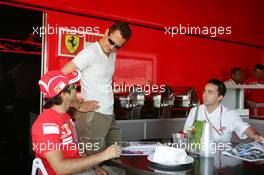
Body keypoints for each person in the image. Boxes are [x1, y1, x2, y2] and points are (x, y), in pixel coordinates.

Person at [31, 70, 121, 175]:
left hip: (79, 170)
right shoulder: (46, 125)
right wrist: (102, 156)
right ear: (63, 94)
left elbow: (76, 149)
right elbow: (61, 169)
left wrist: (96, 167)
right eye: (73, 86)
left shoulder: (64, 116)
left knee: (118, 171)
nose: (76, 88)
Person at [183, 79, 264, 143]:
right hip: (198, 154)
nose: (204, 95)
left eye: (210, 92)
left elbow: (244, 128)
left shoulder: (229, 115)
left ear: (219, 97)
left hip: (221, 158)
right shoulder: (195, 111)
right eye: (204, 91)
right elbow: (187, 134)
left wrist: (256, 136)